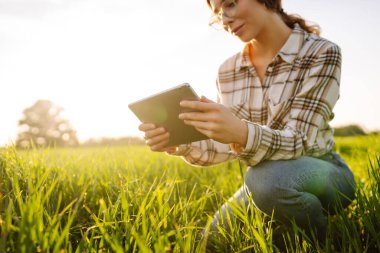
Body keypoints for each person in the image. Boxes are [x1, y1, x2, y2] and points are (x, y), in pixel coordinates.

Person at [138, 0, 356, 250]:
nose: (224, 19)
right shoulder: (228, 70)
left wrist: (241, 132)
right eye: (218, 13)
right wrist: (180, 141)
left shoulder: (321, 52)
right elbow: (227, 146)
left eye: (230, 4)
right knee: (211, 242)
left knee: (266, 181)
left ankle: (322, 241)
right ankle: (279, 212)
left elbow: (300, 141)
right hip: (260, 178)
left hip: (325, 172)